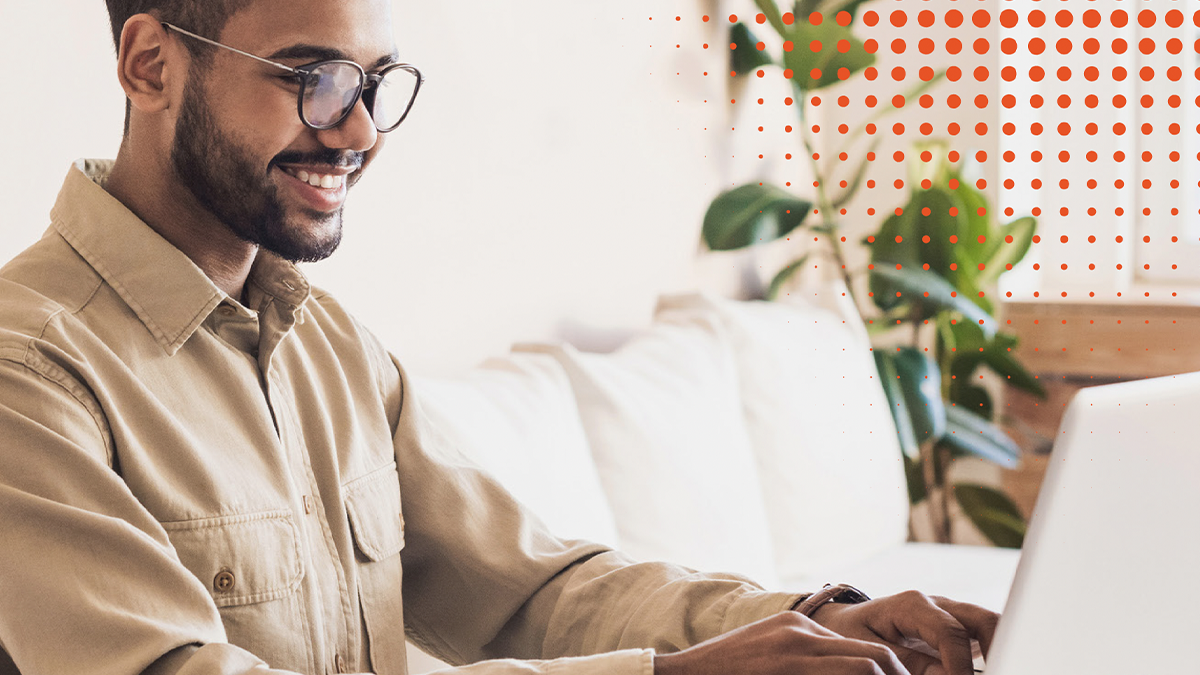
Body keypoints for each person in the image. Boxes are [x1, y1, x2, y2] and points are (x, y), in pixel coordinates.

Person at [0, 1, 999, 674]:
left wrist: (815, 622)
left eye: (374, 83)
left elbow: (529, 584)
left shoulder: (328, 345)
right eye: (314, 80)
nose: (358, 134)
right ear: (148, 66)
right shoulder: (29, 371)